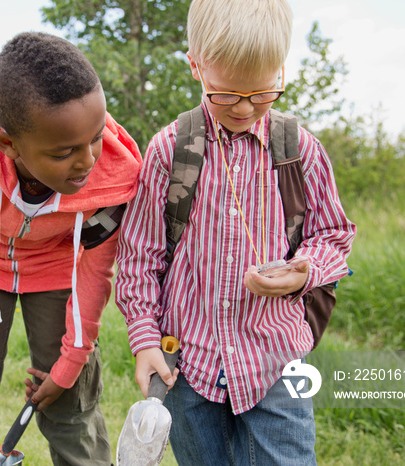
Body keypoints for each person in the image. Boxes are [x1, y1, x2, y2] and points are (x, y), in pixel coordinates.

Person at [115, 1, 356, 464]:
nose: (245, 107)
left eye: (263, 92)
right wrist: (145, 337)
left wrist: (301, 273)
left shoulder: (300, 150)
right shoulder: (171, 150)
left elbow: (333, 235)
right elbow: (140, 257)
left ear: (280, 70)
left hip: (275, 358)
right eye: (227, 94)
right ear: (196, 66)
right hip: (186, 364)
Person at [0, 32, 142, 465]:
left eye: (96, 136)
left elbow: (96, 271)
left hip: (61, 270)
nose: (88, 160)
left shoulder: (116, 173)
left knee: (70, 405)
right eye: (64, 152)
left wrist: (72, 360)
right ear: (9, 145)